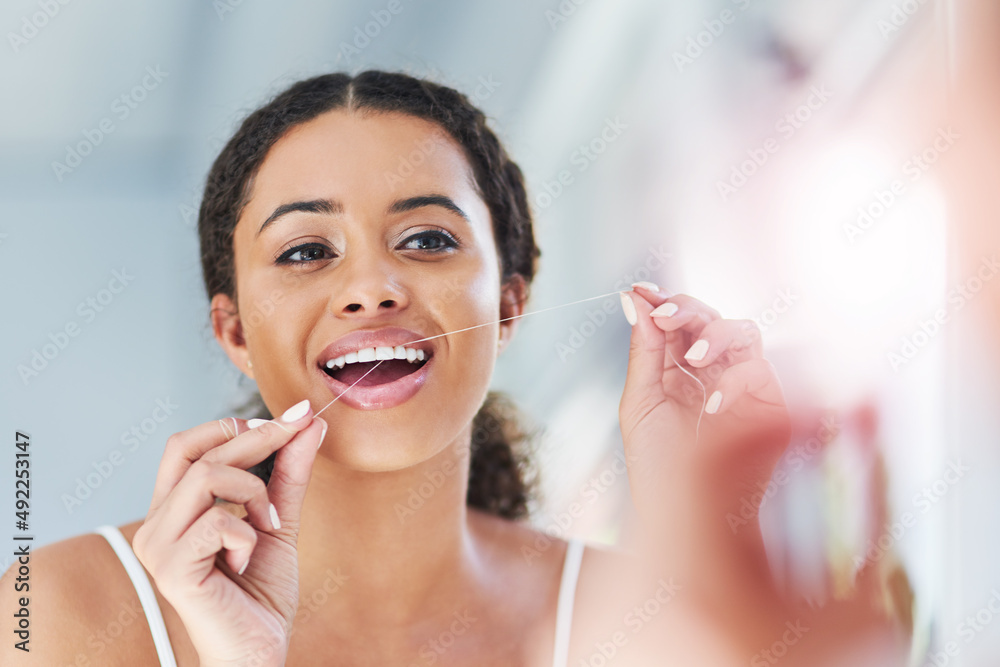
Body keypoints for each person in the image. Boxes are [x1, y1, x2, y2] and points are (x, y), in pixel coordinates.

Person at [0, 70, 904, 666]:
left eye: (428, 238)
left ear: (510, 304)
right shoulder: (48, 617)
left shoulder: (639, 624)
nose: (371, 287)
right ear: (233, 332)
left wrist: (714, 546)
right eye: (307, 251)